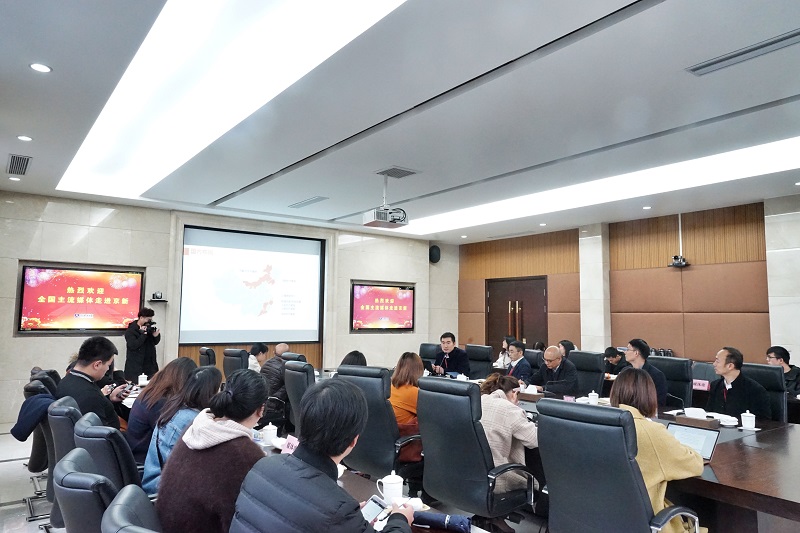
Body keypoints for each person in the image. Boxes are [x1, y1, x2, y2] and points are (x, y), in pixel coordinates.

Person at [230, 379, 413, 533]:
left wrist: (353, 521)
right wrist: (400, 519)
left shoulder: (261, 467)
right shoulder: (338, 511)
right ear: (354, 440)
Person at [156, 369, 267, 533]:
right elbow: (243, 523)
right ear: (261, 409)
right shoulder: (245, 455)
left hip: (165, 524)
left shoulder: (196, 427)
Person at [610, 368, 703, 533]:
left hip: (605, 520)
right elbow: (695, 465)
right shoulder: (651, 432)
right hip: (646, 524)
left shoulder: (600, 424)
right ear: (649, 396)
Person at [142, 366, 222, 494]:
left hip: (153, 481)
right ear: (210, 393)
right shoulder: (193, 421)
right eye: (218, 390)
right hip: (163, 489)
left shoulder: (175, 407)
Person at [479, 374, 542, 529]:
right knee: (537, 475)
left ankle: (495, 520)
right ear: (514, 392)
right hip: (496, 477)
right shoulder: (510, 409)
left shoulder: (479, 400)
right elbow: (535, 440)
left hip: (471, 473)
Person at [125, 357, 196, 463]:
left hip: (140, 455)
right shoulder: (159, 403)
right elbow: (170, 437)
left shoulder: (151, 395)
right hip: (146, 462)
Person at [56, 336, 131, 430]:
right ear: (97, 365)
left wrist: (110, 398)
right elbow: (100, 435)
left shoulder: (66, 381)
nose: (108, 369)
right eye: (108, 365)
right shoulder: (89, 394)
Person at [388, 352, 425, 498]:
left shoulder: (389, 387)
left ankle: (414, 489)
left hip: (388, 444)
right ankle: (428, 493)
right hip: (406, 447)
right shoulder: (414, 393)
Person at [707, 347, 771, 419]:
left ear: (730, 366)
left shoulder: (755, 390)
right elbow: (709, 413)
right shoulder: (715, 385)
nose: (714, 364)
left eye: (717, 361)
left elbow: (763, 421)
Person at [623, 339, 667, 406]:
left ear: (636, 353)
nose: (625, 352)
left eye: (628, 349)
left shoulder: (656, 375)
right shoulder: (625, 371)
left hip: (645, 409)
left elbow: (659, 401)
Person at [124, 307, 161, 380]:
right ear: (141, 318)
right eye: (148, 319)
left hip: (150, 366)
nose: (149, 322)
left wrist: (156, 336)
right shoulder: (131, 331)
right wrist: (143, 334)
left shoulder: (149, 328)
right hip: (135, 367)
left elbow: (155, 342)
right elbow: (133, 345)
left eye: (150, 320)